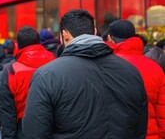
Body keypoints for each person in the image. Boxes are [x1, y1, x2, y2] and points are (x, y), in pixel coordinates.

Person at [22, 9, 148, 138]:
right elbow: (140, 129)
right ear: (94, 32)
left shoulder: (46, 76)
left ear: (64, 35)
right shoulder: (131, 71)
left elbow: (35, 133)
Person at [107, 20, 165, 138]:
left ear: (110, 38)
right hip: (150, 134)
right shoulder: (155, 67)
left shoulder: (106, 67)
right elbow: (162, 110)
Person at [0, 26, 55, 138]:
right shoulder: (56, 62)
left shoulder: (11, 71)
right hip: (53, 127)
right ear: (39, 42)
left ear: (17, 46)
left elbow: (7, 114)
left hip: (24, 130)